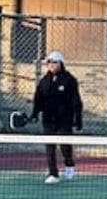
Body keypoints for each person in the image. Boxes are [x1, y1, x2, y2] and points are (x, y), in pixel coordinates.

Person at [30, 49, 83, 185]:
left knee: (65, 145)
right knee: (50, 147)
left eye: (54, 62)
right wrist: (34, 114)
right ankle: (53, 173)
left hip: (64, 120)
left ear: (60, 63)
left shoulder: (69, 80)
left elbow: (76, 100)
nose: (51, 64)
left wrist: (78, 120)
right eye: (49, 62)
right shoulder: (44, 82)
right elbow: (38, 99)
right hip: (48, 120)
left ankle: (69, 164)